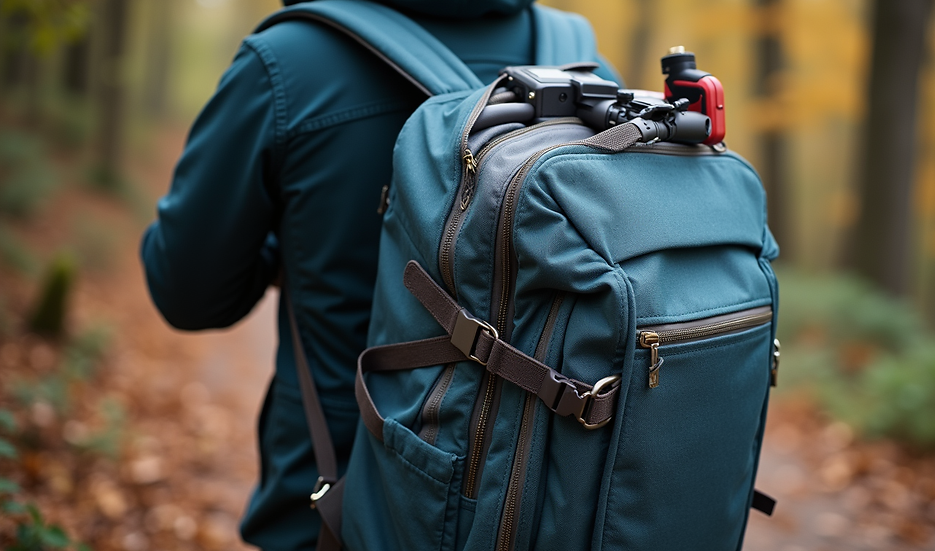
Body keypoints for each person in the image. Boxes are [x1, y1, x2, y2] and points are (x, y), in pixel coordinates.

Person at [140, 1, 619, 549]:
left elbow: (190, 295)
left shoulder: (289, 63)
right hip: (542, 512)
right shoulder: (588, 69)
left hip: (335, 514)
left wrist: (290, 242)